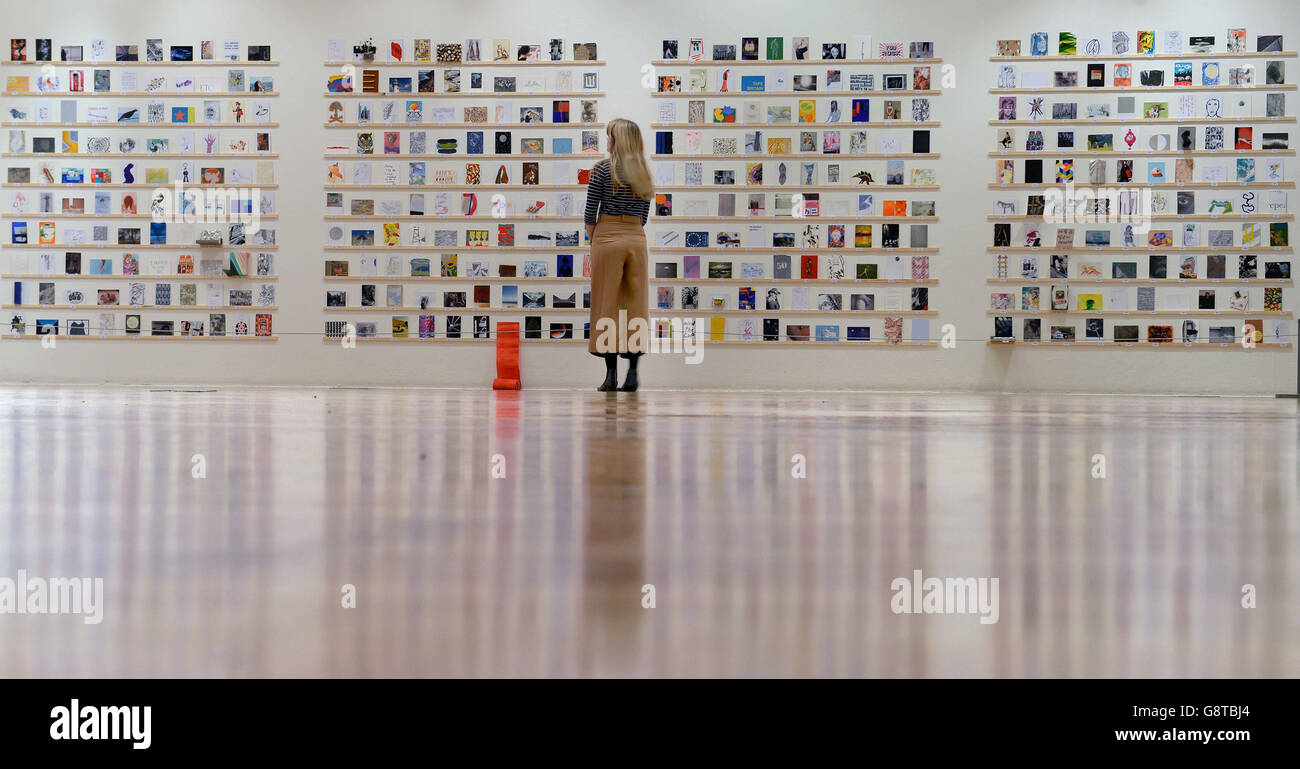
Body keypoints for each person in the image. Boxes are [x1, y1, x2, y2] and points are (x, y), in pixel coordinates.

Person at [584, 118, 653, 392]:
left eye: (609, 136)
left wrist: (597, 239)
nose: (607, 141)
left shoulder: (601, 170)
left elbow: (590, 213)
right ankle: (633, 373)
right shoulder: (643, 173)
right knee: (635, 304)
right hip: (636, 238)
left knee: (606, 304)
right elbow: (644, 217)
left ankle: (610, 376)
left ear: (618, 140)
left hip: (607, 236)